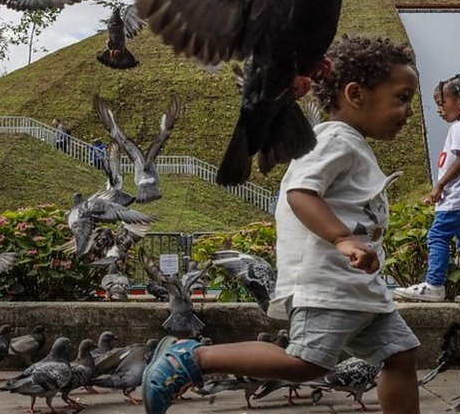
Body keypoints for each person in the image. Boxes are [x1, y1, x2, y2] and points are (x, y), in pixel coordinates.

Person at [139, 36, 422, 414]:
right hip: (329, 285)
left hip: (359, 289)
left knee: (402, 355)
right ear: (356, 94)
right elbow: (300, 193)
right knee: (305, 364)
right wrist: (343, 239)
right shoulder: (335, 140)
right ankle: (192, 359)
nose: (408, 111)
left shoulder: (349, 143)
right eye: (402, 98)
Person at [394, 74, 460, 303]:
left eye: (442, 103)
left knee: (437, 236)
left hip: (459, 197)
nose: (440, 109)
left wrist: (439, 186)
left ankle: (434, 284)